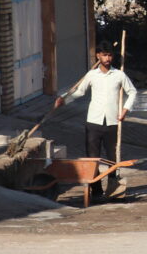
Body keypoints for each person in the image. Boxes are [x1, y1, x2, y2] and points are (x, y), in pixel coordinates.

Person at [54, 43, 137, 198]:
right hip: (93, 121)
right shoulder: (91, 75)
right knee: (92, 158)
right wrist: (65, 100)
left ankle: (113, 188)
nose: (107, 58)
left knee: (112, 158)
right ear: (98, 56)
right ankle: (96, 190)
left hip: (113, 121)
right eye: (104, 55)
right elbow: (80, 92)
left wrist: (125, 110)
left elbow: (132, 92)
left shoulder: (119, 75)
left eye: (110, 55)